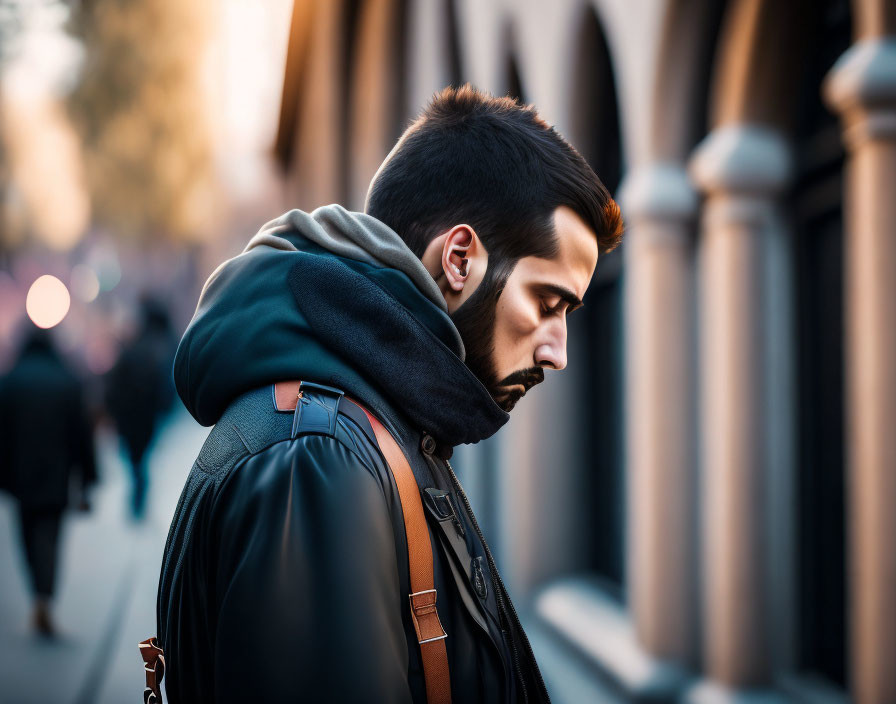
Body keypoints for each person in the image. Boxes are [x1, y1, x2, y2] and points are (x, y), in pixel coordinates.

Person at [155, 86, 623, 703]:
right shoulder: (319, 459)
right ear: (460, 259)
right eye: (547, 302)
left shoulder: (370, 424)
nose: (556, 350)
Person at [0, 326, 96, 636]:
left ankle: (37, 595)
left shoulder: (10, 382)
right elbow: (82, 435)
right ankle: (45, 597)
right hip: (57, 476)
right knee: (51, 538)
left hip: (21, 477)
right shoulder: (67, 382)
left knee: (26, 535)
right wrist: (88, 479)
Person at [105, 297, 176, 519]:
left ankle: (137, 498)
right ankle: (139, 497)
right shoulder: (161, 348)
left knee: (136, 460)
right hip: (147, 417)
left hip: (130, 417)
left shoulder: (131, 351)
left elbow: (114, 387)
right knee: (141, 460)